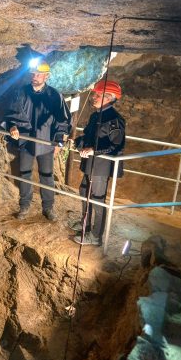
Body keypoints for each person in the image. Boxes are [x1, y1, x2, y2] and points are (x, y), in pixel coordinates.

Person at [3, 59, 71, 221]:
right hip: (26, 141)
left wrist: (59, 142)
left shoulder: (54, 95)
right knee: (25, 174)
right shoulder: (21, 92)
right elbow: (12, 114)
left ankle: (48, 207)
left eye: (39, 74)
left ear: (46, 76)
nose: (35, 76)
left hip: (46, 142)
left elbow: (63, 120)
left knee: (46, 175)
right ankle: (24, 205)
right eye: (33, 73)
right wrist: (12, 127)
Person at [71, 80, 126, 246]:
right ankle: (85, 224)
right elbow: (87, 136)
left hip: (101, 167)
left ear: (108, 98)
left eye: (97, 95)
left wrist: (93, 151)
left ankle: (95, 236)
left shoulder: (115, 119)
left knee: (97, 199)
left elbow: (116, 145)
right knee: (84, 192)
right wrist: (78, 142)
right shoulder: (96, 115)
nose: (93, 97)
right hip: (90, 164)